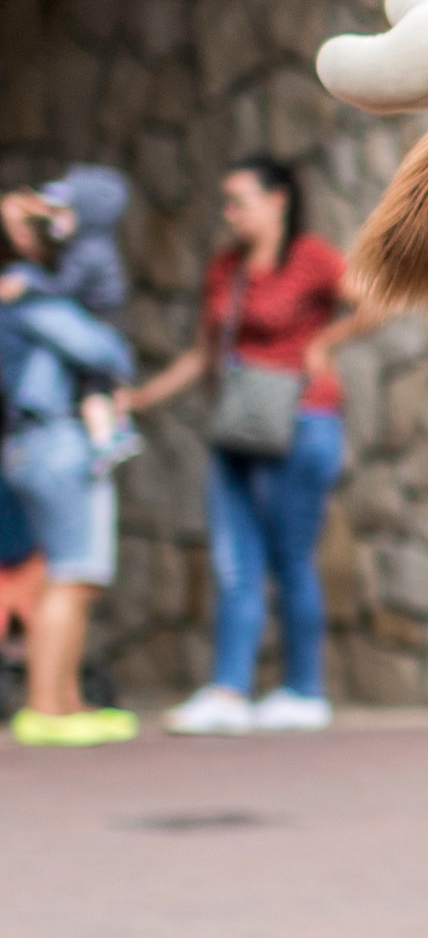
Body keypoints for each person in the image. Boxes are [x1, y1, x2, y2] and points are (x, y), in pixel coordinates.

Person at [122, 157, 380, 735]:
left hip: (301, 419)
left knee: (291, 559)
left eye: (239, 199)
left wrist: (325, 342)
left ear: (278, 199)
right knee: (235, 560)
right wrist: (139, 399)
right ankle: (229, 690)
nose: (229, 212)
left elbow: (376, 300)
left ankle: (303, 690)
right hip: (238, 425)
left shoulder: (311, 257)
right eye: (226, 201)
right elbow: (201, 353)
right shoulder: (226, 268)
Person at [1, 189, 138, 746]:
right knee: (71, 575)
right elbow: (106, 351)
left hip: (33, 444)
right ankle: (47, 707)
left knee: (69, 575)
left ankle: (64, 699)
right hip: (55, 441)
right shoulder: (27, 298)